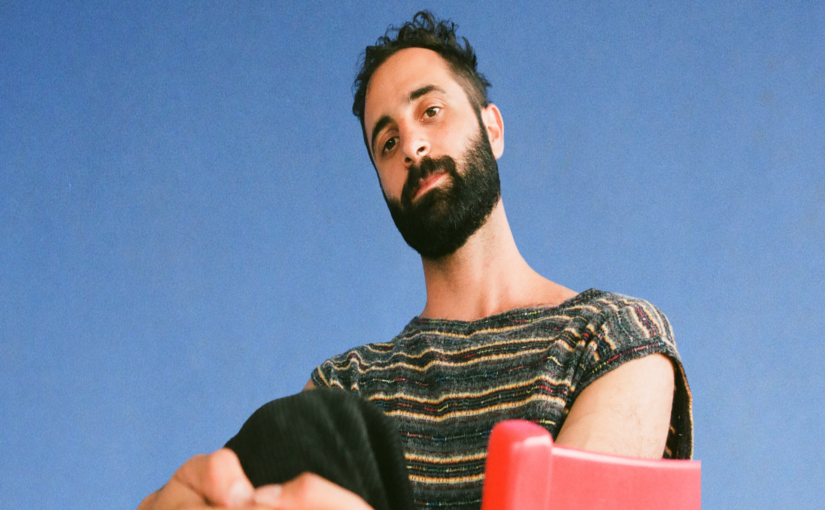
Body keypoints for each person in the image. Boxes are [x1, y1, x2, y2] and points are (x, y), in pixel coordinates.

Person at [138, 11, 692, 510]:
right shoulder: (349, 382)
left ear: (492, 128)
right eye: (387, 142)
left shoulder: (612, 336)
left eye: (431, 111)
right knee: (308, 429)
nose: (412, 147)